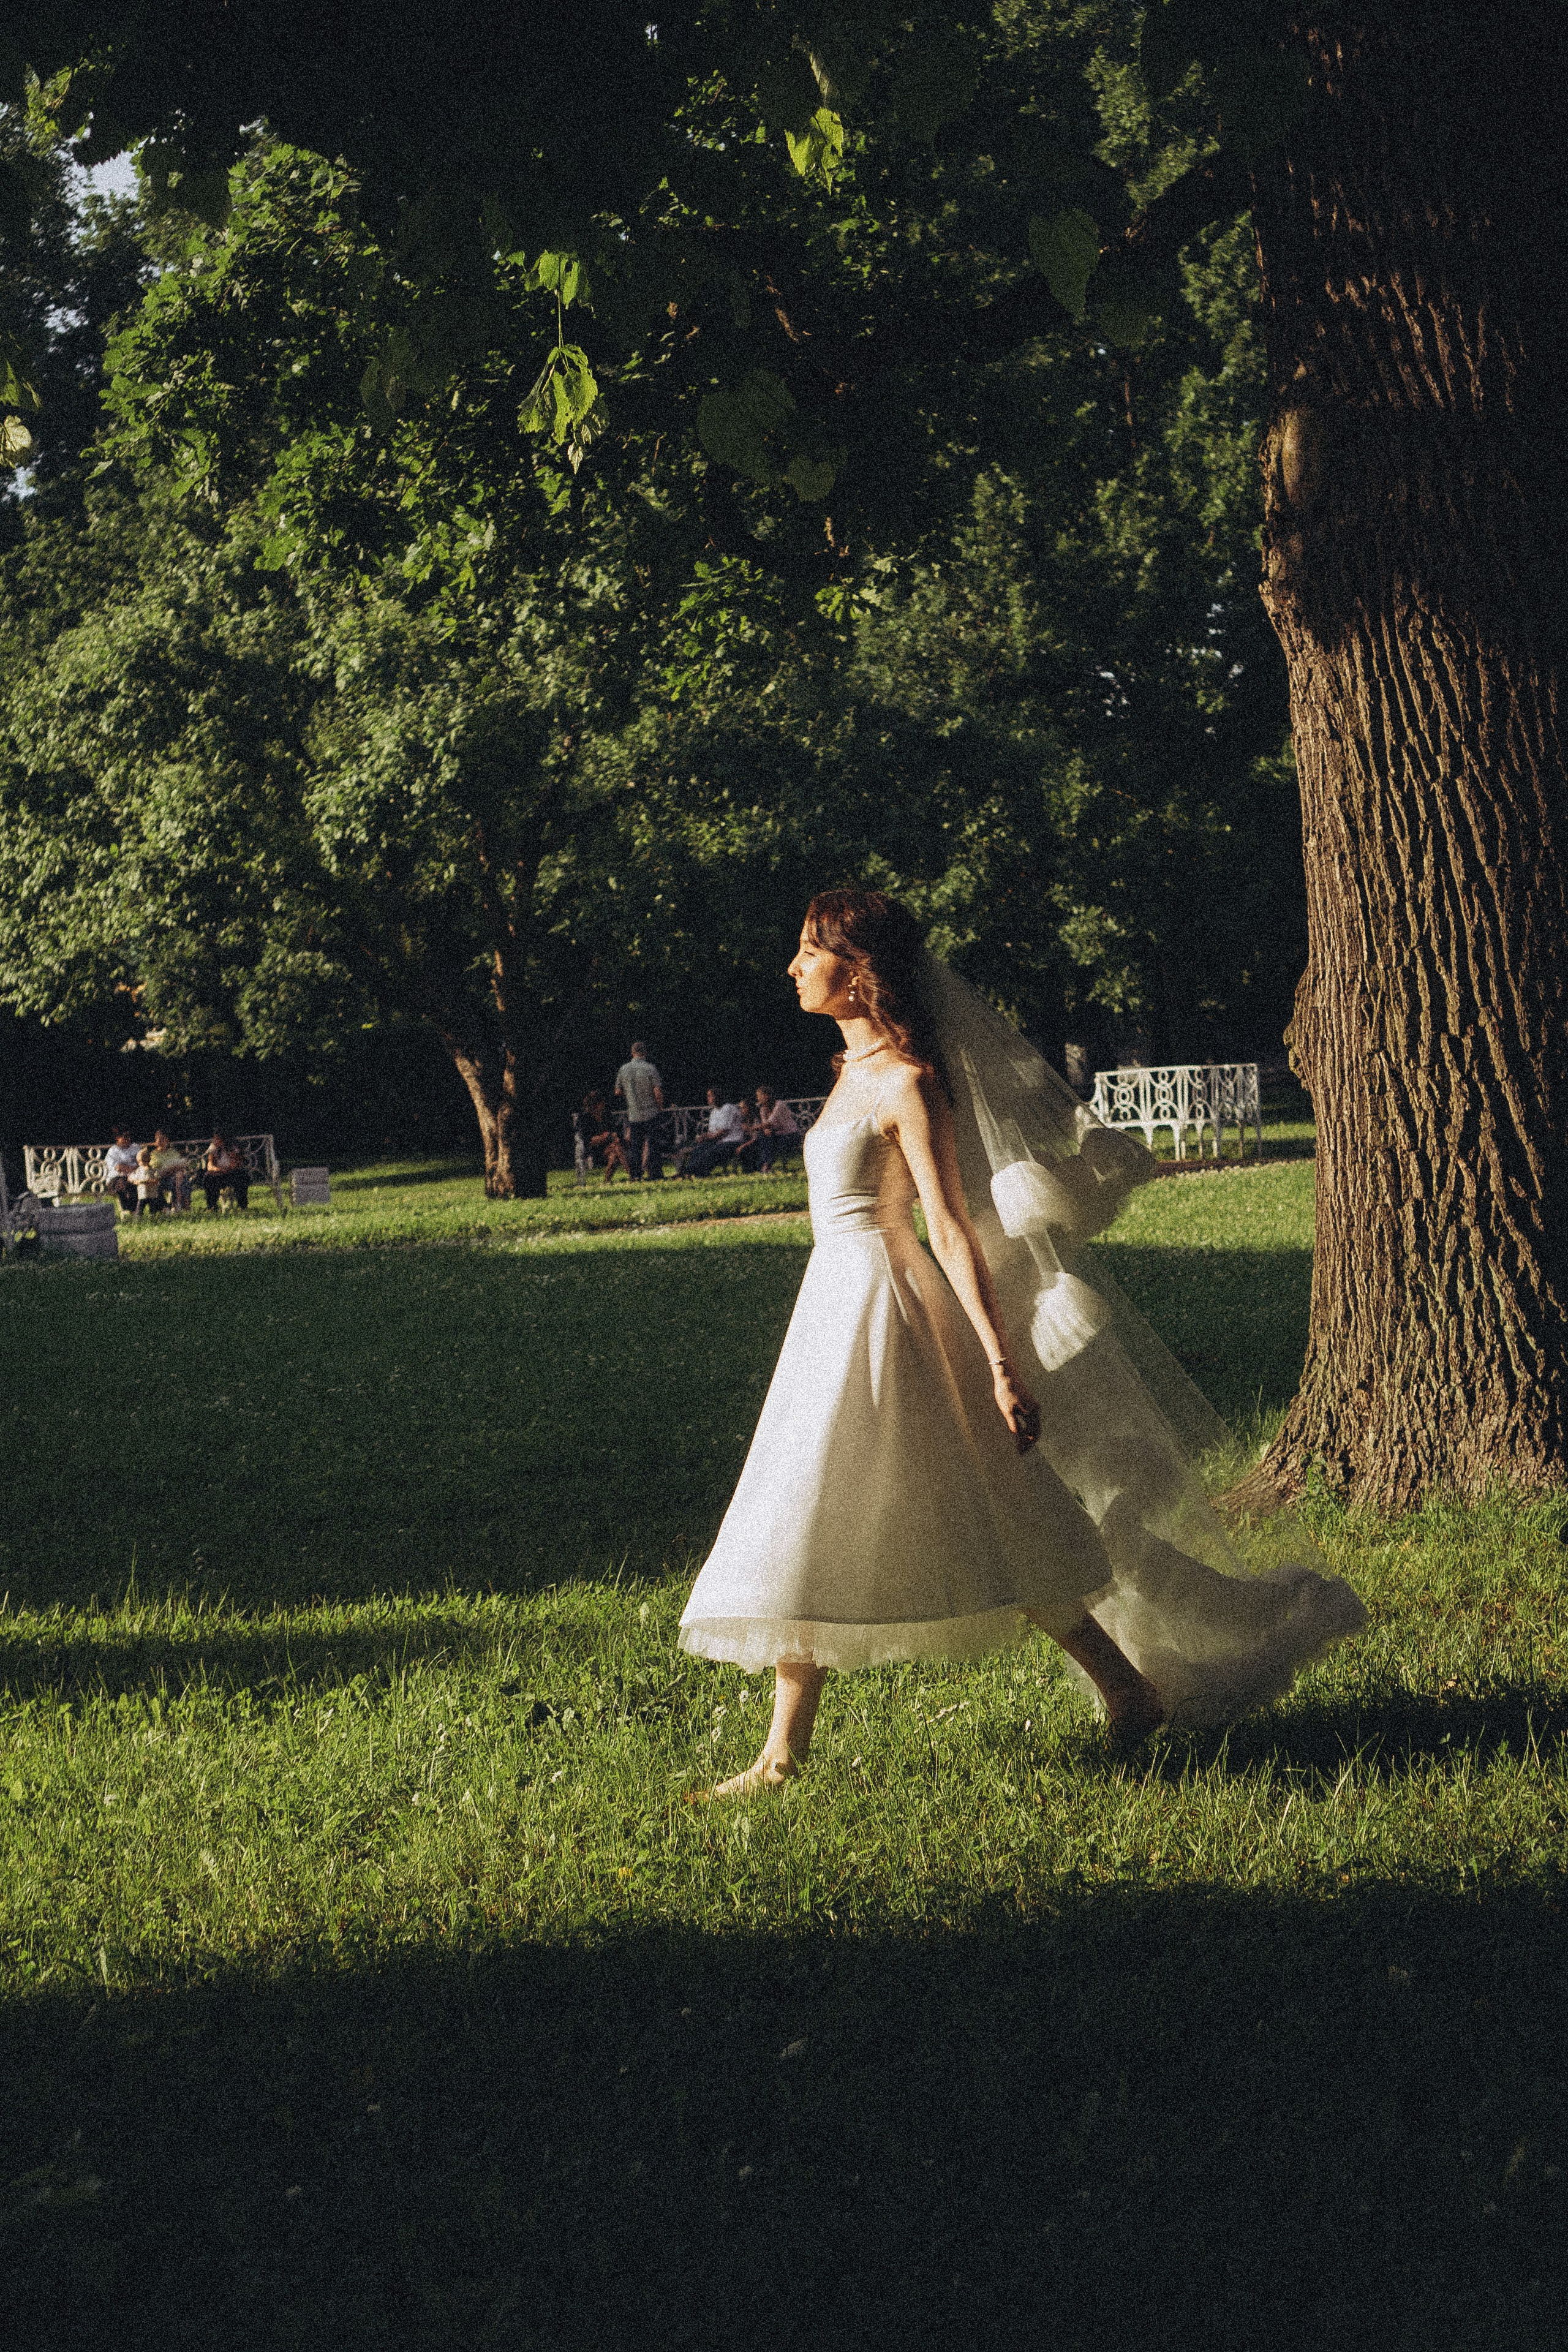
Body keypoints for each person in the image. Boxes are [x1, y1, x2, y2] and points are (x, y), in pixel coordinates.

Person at [679, 886, 1365, 1799]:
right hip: (830, 1312)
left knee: (991, 1511)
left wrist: (1000, 1364)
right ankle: (783, 1753)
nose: (794, 966)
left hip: (892, 1314)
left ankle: (1124, 1689)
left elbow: (953, 1229)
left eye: (811, 951)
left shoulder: (910, 1081)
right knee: (814, 1506)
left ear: (861, 970)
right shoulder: (846, 1075)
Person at [614, 1041, 664, 1181]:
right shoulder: (650, 1068)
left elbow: (618, 1091)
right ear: (645, 1053)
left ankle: (635, 1175)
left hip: (634, 1114)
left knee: (636, 1146)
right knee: (654, 1144)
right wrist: (660, 1107)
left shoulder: (623, 1069)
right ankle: (655, 1174)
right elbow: (657, 1091)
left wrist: (630, 1096)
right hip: (651, 1113)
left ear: (632, 1053)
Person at [675, 1088, 747, 1178]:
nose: (708, 1098)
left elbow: (723, 1131)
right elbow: (712, 1132)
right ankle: (692, 1173)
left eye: (710, 1096)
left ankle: (691, 1173)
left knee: (711, 1152)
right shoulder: (714, 1111)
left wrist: (709, 1137)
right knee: (699, 1149)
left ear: (718, 1097)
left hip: (732, 1141)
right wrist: (703, 1136)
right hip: (719, 1141)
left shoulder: (728, 1108)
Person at [736, 1087, 800, 1175]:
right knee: (765, 1138)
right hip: (776, 1136)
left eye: (759, 1096)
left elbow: (770, 1122)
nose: (758, 1099)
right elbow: (765, 1124)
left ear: (766, 1096)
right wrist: (766, 1130)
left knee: (766, 1141)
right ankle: (765, 1166)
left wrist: (752, 1128)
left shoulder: (779, 1105)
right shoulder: (763, 1109)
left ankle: (765, 1165)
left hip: (790, 1135)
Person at [578, 1088, 630, 1181]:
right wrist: (604, 1137)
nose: (604, 1105)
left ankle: (607, 1181)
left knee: (615, 1153)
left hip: (609, 1147)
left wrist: (615, 1136)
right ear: (596, 1105)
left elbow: (613, 1131)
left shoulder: (606, 1115)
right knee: (616, 1149)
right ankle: (632, 1174)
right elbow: (588, 1141)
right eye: (601, 1103)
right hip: (594, 1151)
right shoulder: (585, 1118)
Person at [203, 1133, 249, 1213]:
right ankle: (212, 1207)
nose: (215, 1141)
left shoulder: (233, 1148)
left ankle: (242, 1206)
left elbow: (235, 1164)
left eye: (217, 1139)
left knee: (241, 1177)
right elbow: (210, 1165)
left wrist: (225, 1170)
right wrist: (217, 1169)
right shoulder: (214, 1148)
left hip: (232, 1172)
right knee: (208, 1178)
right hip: (219, 1173)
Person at [102, 1126, 141, 1216]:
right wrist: (134, 1168)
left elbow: (143, 1162)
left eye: (129, 1136)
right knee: (124, 1184)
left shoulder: (136, 1148)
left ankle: (135, 1211)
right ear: (117, 1138)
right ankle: (128, 1211)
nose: (128, 1139)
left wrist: (132, 1169)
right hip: (116, 1179)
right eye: (125, 1137)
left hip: (134, 1176)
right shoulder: (113, 1151)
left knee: (139, 1183)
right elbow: (119, 1168)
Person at [151, 1129, 190, 1212]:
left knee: (182, 1178)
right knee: (180, 1180)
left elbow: (181, 1166)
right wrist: (172, 1170)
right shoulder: (154, 1155)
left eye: (163, 1139)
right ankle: (181, 1206)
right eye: (159, 1139)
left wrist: (174, 1170)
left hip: (175, 1177)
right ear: (156, 1141)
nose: (161, 1141)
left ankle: (179, 1205)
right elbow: (155, 1171)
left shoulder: (173, 1152)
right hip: (161, 1179)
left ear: (167, 1140)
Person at [133, 1145, 167, 1215]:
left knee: (153, 1208)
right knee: (140, 1209)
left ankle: (153, 1216)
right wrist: (135, 1181)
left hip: (152, 1194)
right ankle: (138, 1218)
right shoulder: (139, 1170)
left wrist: (147, 1182)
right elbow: (133, 1178)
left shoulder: (153, 1170)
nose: (140, 1163)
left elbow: (157, 1179)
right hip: (142, 1194)